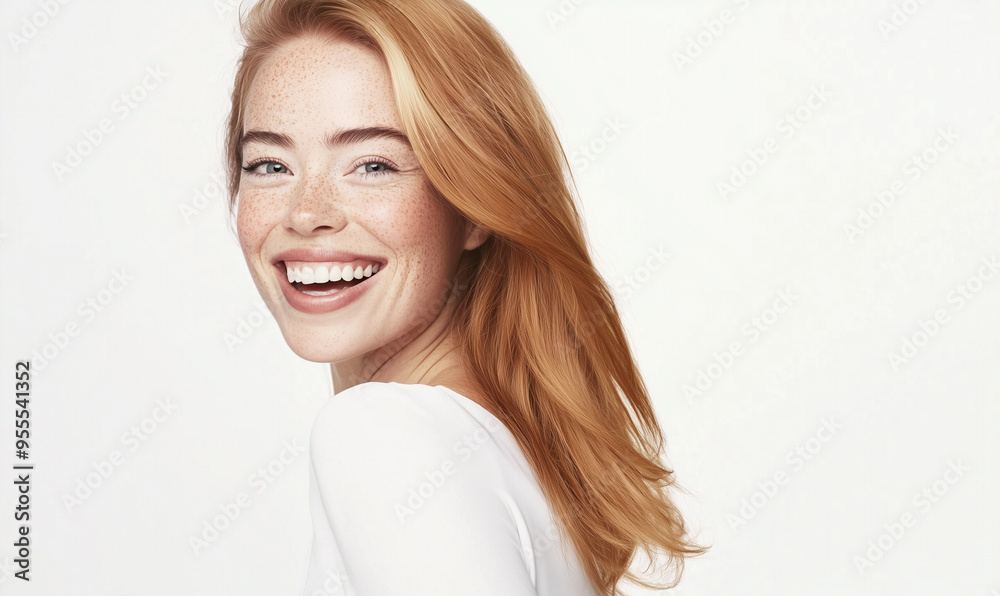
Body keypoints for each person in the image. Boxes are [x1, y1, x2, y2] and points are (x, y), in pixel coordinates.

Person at [224, 0, 705, 594]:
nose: (306, 213)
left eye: (373, 165)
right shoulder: (502, 449)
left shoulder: (382, 432)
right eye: (269, 164)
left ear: (473, 205)